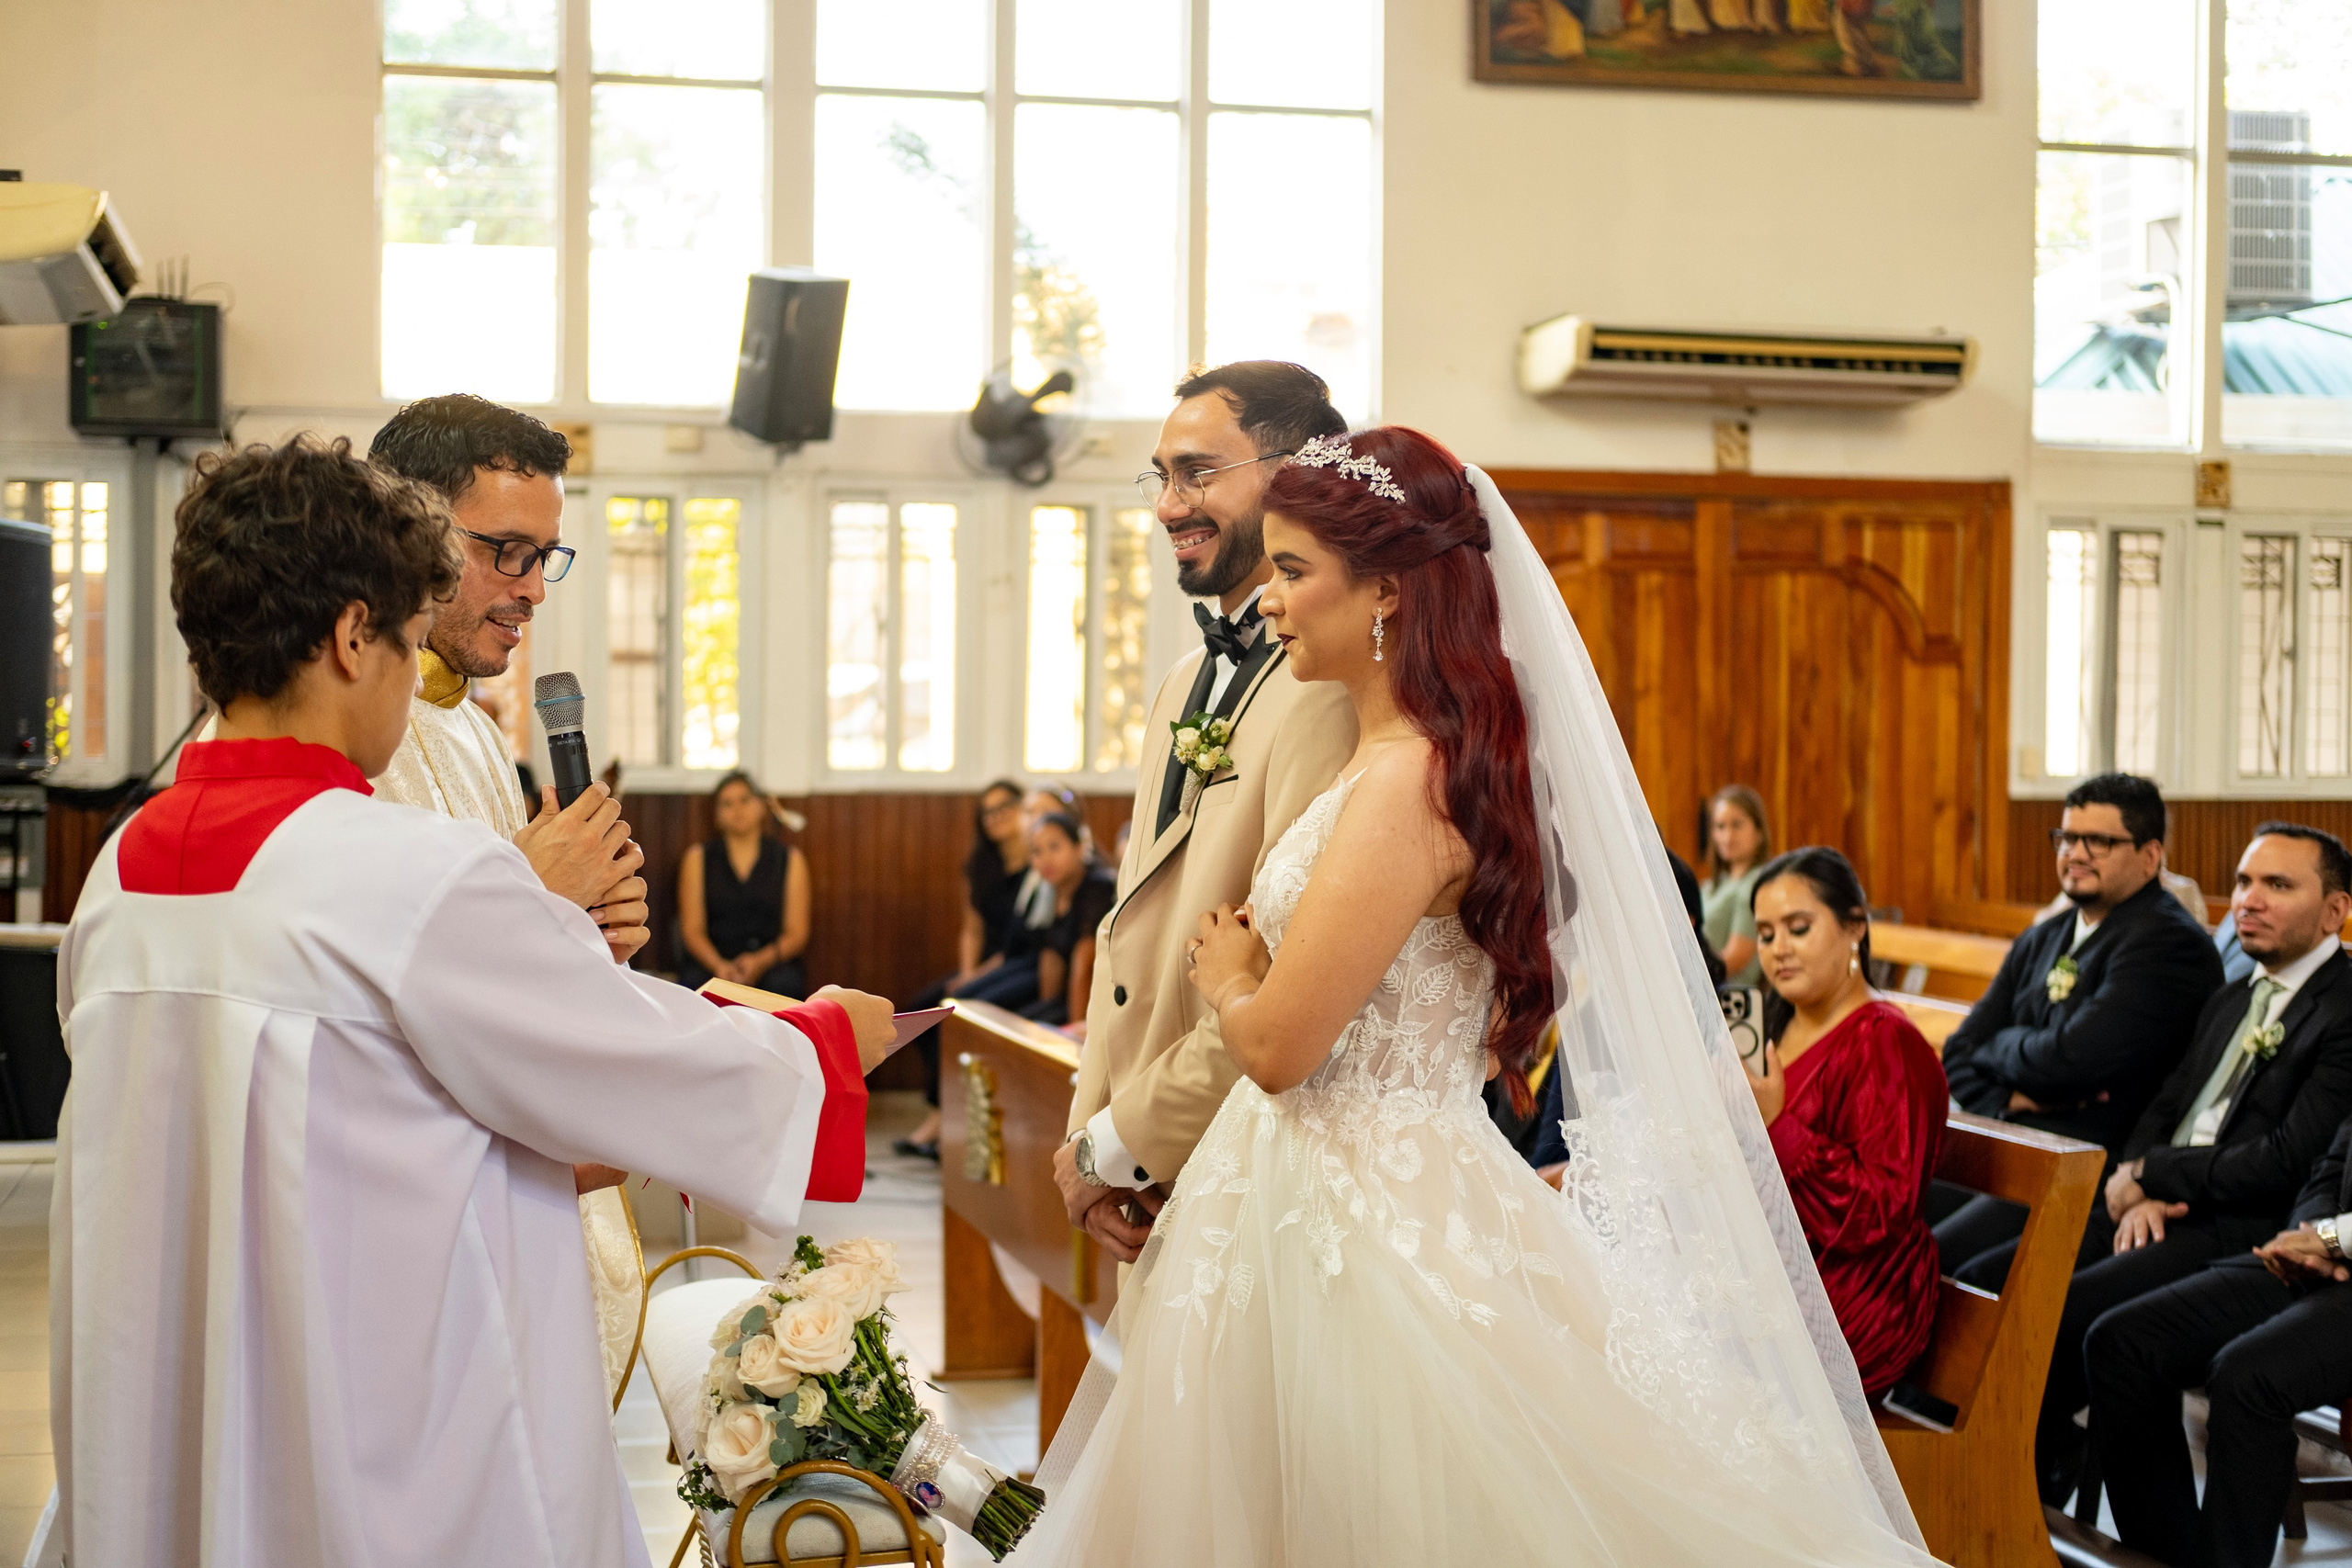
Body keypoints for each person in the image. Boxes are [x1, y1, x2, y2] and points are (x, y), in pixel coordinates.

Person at [1018, 429, 1939, 1565]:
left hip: (1362, 1217)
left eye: (1295, 571)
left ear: (1387, 593)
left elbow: (1281, 1051)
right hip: (1323, 1188)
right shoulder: (1392, 758)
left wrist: (1232, 976)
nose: (1273, 601)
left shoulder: (1408, 780)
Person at [51, 435, 899, 1568]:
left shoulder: (117, 877)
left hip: (180, 1410)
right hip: (367, 1419)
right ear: (353, 636)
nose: (416, 681)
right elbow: (625, 1062)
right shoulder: (403, 870)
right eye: (410, 643)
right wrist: (826, 1039)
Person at [1053, 362, 1358, 1261]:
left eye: (1197, 473)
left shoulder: (1329, 690)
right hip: (1153, 1164)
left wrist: (1123, 1143)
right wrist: (1091, 1136)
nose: (1167, 506)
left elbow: (1284, 970)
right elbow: (1128, 929)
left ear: (1292, 476)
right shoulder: (1182, 680)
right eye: (1161, 477)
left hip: (1249, 1170)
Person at [1970, 824, 2352, 1504]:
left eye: (2277, 885)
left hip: (2238, 1221)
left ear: (2335, 911)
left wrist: (2153, 1176)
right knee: (1994, 1281)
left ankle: (2032, 1493)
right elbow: (2166, 1103)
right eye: (2243, 882)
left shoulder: (2343, 1009)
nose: (2249, 900)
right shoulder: (2233, 997)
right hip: (2157, 1201)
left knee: (2075, 1316)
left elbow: (2288, 1157)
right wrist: (2136, 1179)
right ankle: (1992, 1480)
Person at [1936, 773, 2226, 1274]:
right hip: (2010, 1140)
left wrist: (1999, 1046)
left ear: (2150, 856)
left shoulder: (2167, 943)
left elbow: (2070, 1061)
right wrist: (2006, 1099)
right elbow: (1959, 1050)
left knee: (1942, 1258)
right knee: (1887, 1224)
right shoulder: (2045, 935)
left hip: (2087, 1167)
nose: (2076, 853)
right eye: (2067, 837)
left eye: (2099, 841)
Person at [2085, 1110, 2352, 1568]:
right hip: (2317, 1255)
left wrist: (2332, 1240)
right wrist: (2309, 1236)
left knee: (2248, 1378)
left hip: (2338, 1252)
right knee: (2122, 1344)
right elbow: (2332, 1164)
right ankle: (2167, 1560)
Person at [1744, 847, 1947, 1401]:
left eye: (1798, 928)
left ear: (1855, 926)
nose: (1778, 949)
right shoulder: (1772, 1031)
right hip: (1771, 1267)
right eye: (1765, 934)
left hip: (1853, 1291)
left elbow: (1882, 1207)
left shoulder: (1885, 1042)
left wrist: (1778, 1125)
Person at [899, 779, 1029, 1156]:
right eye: (987, 812)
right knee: (920, 1012)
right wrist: (968, 971)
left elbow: (1020, 940)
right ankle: (940, 1113)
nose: (996, 817)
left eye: (1004, 807)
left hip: (1014, 961)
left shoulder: (1036, 864)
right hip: (984, 963)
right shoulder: (980, 866)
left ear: (1022, 807)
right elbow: (972, 929)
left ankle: (947, 1125)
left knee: (952, 1015)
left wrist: (977, 979)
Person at [677, 770, 812, 998]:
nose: (737, 809)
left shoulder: (790, 859)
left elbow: (797, 933)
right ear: (717, 814)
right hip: (712, 962)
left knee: (784, 985)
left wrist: (759, 962)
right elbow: (692, 931)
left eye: (745, 800)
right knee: (692, 985)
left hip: (771, 964)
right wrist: (719, 966)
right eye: (727, 804)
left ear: (762, 806)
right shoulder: (697, 859)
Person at [1700, 783, 1770, 987]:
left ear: (1758, 831)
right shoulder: (1711, 886)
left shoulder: (1756, 883)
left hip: (1730, 996)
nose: (1728, 836)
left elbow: (1735, 960)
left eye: (1737, 825)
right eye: (1720, 826)